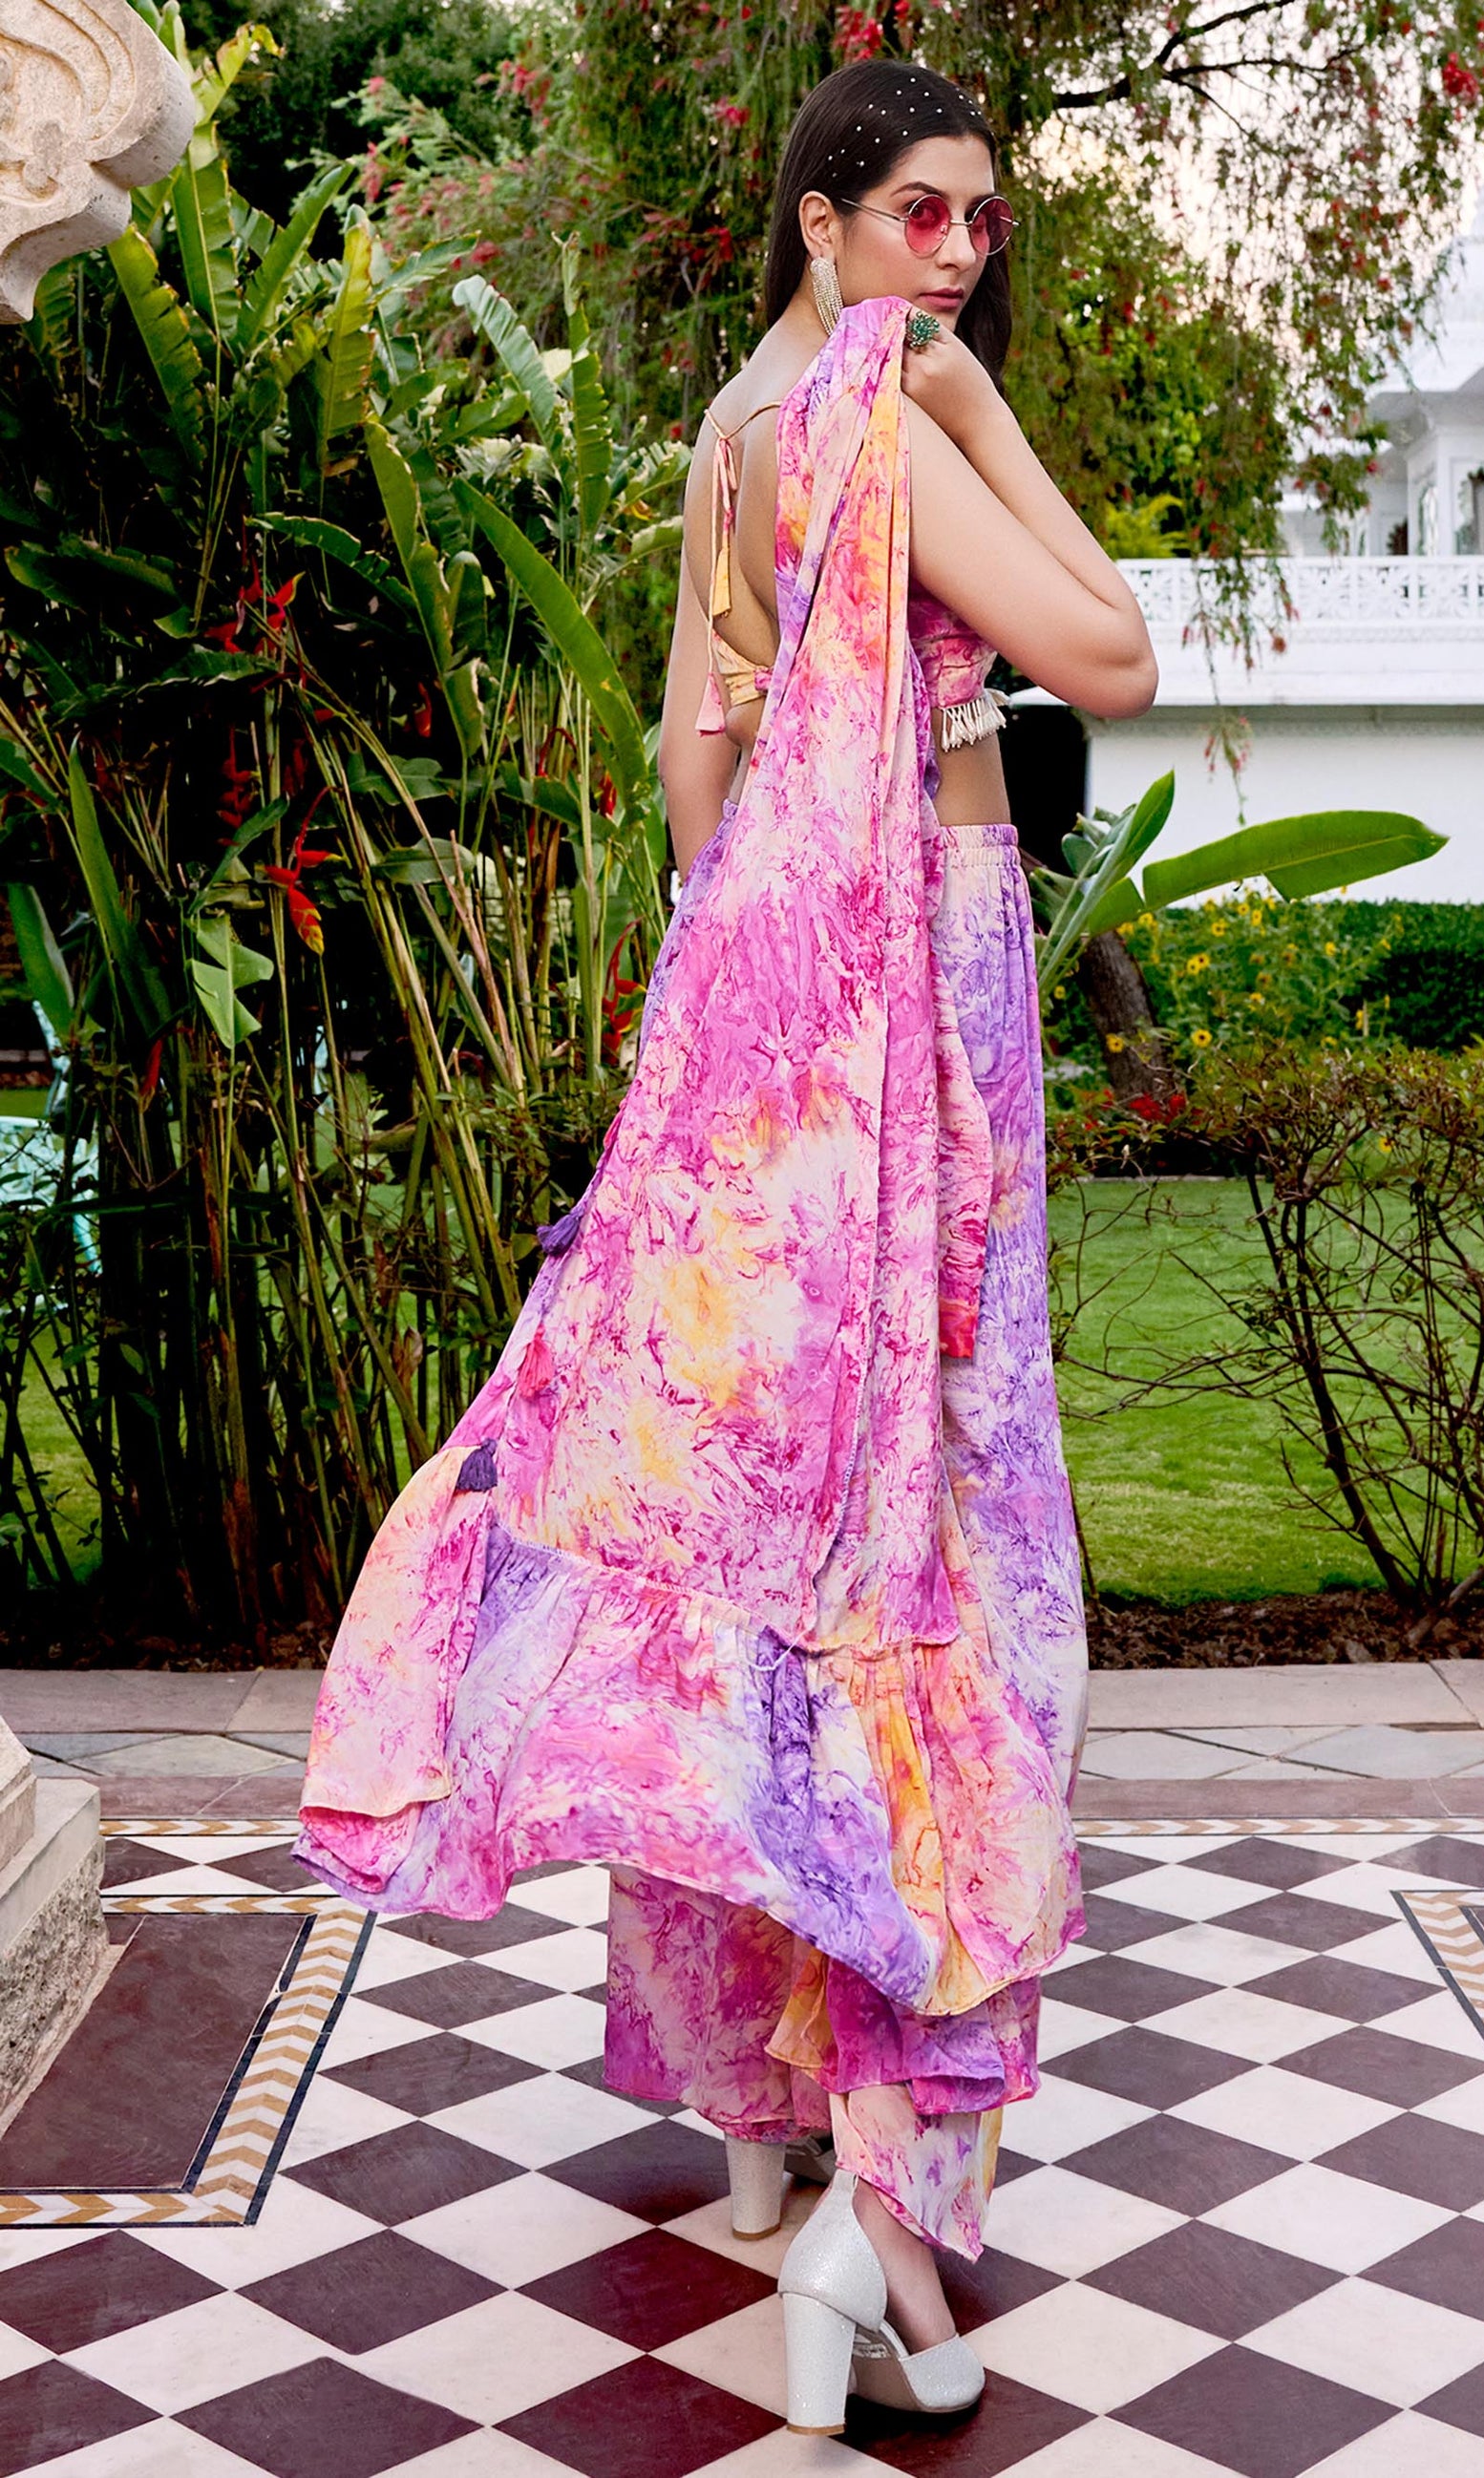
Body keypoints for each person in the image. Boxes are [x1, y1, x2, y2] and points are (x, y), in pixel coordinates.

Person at [295, 55, 1156, 2438]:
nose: (954, 254)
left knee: (750, 1532)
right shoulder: (888, 412)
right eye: (917, 212)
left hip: (766, 1004)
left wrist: (770, 978)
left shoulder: (732, 437)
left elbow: (698, 770)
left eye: (981, 220)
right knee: (941, 1545)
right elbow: (1108, 655)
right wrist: (976, 406)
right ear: (820, 220)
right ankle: (882, 2198)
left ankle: (760, 2116)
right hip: (928, 965)